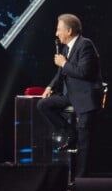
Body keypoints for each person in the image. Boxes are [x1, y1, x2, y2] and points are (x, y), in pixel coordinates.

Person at [37, 13, 103, 178]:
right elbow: (60, 73)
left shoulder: (85, 45)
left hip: (86, 97)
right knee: (44, 105)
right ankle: (69, 131)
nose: (56, 33)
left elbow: (84, 72)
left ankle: (81, 180)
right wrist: (50, 86)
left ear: (69, 30)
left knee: (84, 142)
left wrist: (64, 63)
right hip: (70, 95)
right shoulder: (66, 48)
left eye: (59, 29)